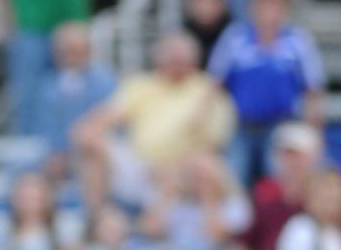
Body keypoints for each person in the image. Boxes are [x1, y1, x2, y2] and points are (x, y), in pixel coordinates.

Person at [74, 32, 236, 208]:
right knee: (90, 139)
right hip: (140, 167)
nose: (176, 65)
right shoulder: (142, 85)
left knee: (205, 164)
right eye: (171, 59)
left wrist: (172, 168)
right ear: (159, 60)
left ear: (194, 61)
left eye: (181, 60)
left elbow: (213, 146)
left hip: (183, 170)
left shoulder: (207, 90)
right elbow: (96, 122)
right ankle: (96, 218)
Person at [207, 0, 325, 187]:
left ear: (286, 8)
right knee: (234, 182)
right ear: (252, 7)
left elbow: (313, 91)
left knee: (279, 183)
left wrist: (315, 134)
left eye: (276, 4)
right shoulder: (235, 38)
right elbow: (214, 85)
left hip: (282, 126)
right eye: (264, 4)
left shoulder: (298, 40)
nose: (270, 11)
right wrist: (209, 129)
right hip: (241, 126)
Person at [239, 120, 320, 250]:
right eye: (286, 154)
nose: (292, 162)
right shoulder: (263, 194)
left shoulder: (324, 195)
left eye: (298, 155)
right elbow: (247, 244)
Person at [7, 0, 92, 134]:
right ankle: (33, 155)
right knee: (29, 99)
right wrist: (9, 16)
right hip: (31, 24)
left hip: (72, 22)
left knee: (81, 97)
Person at [35, 22, 116, 182]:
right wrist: (58, 152)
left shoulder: (106, 82)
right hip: (59, 155)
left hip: (95, 152)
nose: (73, 57)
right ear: (57, 55)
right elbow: (46, 127)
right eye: (68, 52)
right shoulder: (48, 87)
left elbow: (111, 126)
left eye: (78, 51)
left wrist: (75, 151)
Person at [183, 0, 233, 69]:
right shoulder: (181, 35)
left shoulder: (235, 36)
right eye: (200, 1)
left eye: (211, 1)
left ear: (222, 3)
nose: (205, 8)